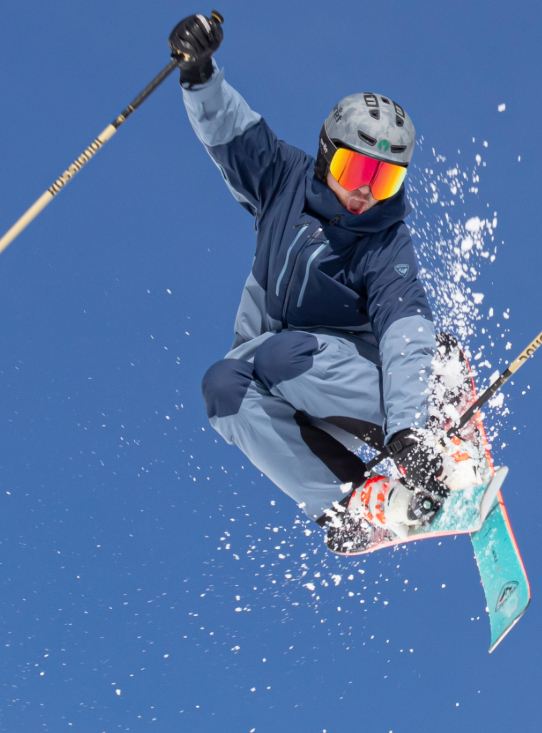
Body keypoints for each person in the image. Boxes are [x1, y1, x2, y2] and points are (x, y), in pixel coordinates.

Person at [170, 13, 468, 541]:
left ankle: (430, 409)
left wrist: (408, 431)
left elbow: (404, 326)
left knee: (279, 356)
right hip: (288, 383)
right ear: (328, 155)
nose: (365, 193)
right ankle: (353, 505)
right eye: (358, 172)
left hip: (364, 388)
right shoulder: (283, 178)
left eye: (386, 179)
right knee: (223, 387)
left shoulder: (384, 240)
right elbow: (231, 132)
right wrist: (200, 74)